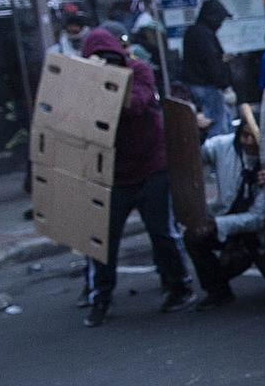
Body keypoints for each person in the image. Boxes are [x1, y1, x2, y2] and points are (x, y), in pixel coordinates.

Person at [78, 27, 195, 326]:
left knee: (161, 232)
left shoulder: (139, 71)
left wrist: (109, 82)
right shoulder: (85, 84)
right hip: (113, 174)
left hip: (150, 168)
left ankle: (179, 285)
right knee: (102, 240)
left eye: (109, 59)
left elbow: (137, 103)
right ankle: (100, 296)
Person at [187, 105, 265, 310]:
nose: (248, 142)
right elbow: (195, 157)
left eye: (254, 137)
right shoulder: (223, 146)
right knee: (193, 236)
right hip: (226, 219)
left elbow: (257, 218)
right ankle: (218, 291)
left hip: (258, 230)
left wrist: (218, 224)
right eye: (244, 135)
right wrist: (195, 133)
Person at [181, 0, 236, 137]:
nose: (220, 24)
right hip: (207, 87)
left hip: (195, 85)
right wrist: (224, 84)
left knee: (211, 125)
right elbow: (211, 62)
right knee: (218, 130)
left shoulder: (192, 32)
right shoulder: (204, 34)